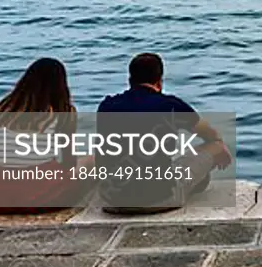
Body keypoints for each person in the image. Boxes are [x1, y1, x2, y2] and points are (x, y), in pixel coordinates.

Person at [97, 53, 233, 213]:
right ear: (159, 81)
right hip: (158, 199)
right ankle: (193, 184)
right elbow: (209, 134)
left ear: (130, 81)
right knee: (214, 146)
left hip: (112, 200)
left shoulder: (107, 105)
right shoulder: (170, 105)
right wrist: (220, 147)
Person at [0, 58, 95, 213]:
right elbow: (68, 162)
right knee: (92, 161)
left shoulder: (4, 109)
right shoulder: (62, 112)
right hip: (39, 198)